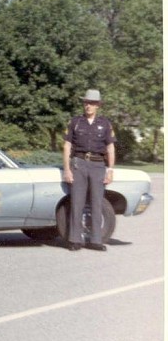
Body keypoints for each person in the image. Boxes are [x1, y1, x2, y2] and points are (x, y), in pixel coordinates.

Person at [62, 89, 116, 252]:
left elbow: (110, 147)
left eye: (92, 103)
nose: (88, 106)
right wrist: (67, 169)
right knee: (77, 203)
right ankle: (75, 240)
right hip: (79, 164)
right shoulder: (75, 122)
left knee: (96, 203)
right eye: (86, 102)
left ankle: (96, 240)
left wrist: (110, 169)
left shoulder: (105, 124)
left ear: (98, 105)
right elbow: (67, 146)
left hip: (98, 165)